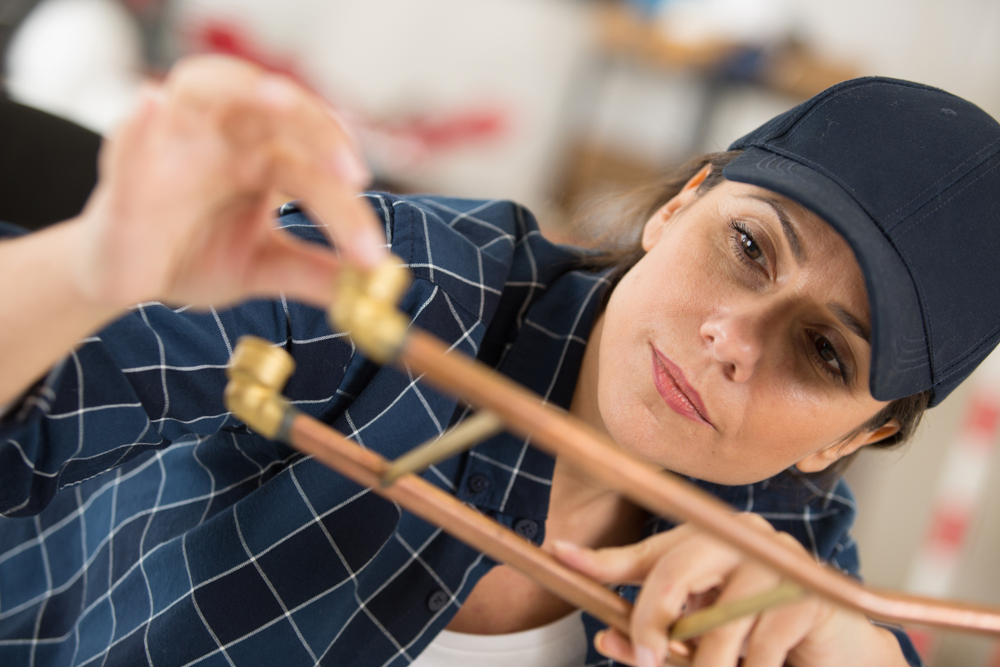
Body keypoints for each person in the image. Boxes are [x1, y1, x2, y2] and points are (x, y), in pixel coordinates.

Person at [1, 55, 998, 667]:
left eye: (822, 352)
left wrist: (862, 647)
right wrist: (92, 265)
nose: (730, 341)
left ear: (856, 437)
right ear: (678, 204)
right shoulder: (409, 286)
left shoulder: (785, 543)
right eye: (747, 247)